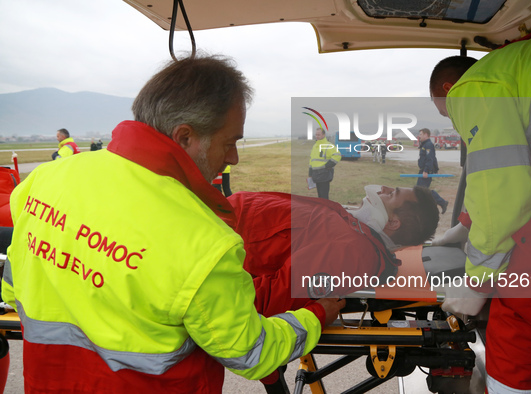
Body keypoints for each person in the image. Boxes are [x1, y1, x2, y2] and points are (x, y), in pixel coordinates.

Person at [1, 55, 345, 393]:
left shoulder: (45, 179)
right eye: (229, 143)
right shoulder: (203, 240)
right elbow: (250, 352)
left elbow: (13, 289)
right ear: (184, 137)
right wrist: (316, 314)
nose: (233, 159)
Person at [429, 28, 531, 394]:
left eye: (448, 113)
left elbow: (500, 191)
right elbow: (522, 173)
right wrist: (467, 225)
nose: (454, 121)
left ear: (450, 89)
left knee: (523, 302)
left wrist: (476, 282)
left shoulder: (473, 88)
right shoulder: (518, 72)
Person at [229, 185, 440, 315]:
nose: (383, 188)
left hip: (212, 238)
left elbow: (269, 298)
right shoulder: (355, 231)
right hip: (218, 218)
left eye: (392, 193)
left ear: (393, 223)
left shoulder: (353, 254)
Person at [416, 128, 448, 214]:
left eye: (421, 134)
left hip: (425, 171)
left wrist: (426, 170)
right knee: (420, 191)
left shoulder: (429, 145)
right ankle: (425, 208)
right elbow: (433, 158)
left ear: (426, 135)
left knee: (422, 190)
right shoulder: (425, 144)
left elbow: (430, 159)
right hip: (423, 170)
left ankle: (442, 202)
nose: (419, 136)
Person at [309, 128, 341, 199]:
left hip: (324, 174)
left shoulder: (329, 145)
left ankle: (326, 209)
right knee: (320, 196)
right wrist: (310, 173)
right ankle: (322, 209)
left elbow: (337, 155)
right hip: (316, 174)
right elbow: (312, 160)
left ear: (323, 135)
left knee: (324, 196)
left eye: (319, 135)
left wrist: (328, 165)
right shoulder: (315, 146)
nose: (317, 136)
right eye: (316, 135)